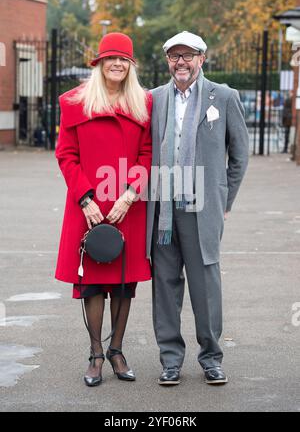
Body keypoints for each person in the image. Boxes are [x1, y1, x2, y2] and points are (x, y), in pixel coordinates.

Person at [146, 31, 249, 385]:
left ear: (201, 59)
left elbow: (239, 154)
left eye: (188, 55)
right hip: (162, 207)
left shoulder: (223, 96)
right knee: (165, 285)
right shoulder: (155, 99)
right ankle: (171, 360)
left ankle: (211, 357)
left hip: (201, 206)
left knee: (205, 285)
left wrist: (225, 199)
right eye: (174, 56)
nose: (181, 62)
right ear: (168, 62)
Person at [55, 32, 152, 387]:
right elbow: (66, 154)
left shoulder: (143, 103)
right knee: (93, 283)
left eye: (123, 60)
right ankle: (96, 352)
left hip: (128, 206)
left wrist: (130, 194)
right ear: (98, 63)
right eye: (110, 59)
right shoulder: (75, 102)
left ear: (130, 66)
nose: (117, 64)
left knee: (124, 283)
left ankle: (117, 350)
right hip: (88, 206)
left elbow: (147, 155)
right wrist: (85, 199)